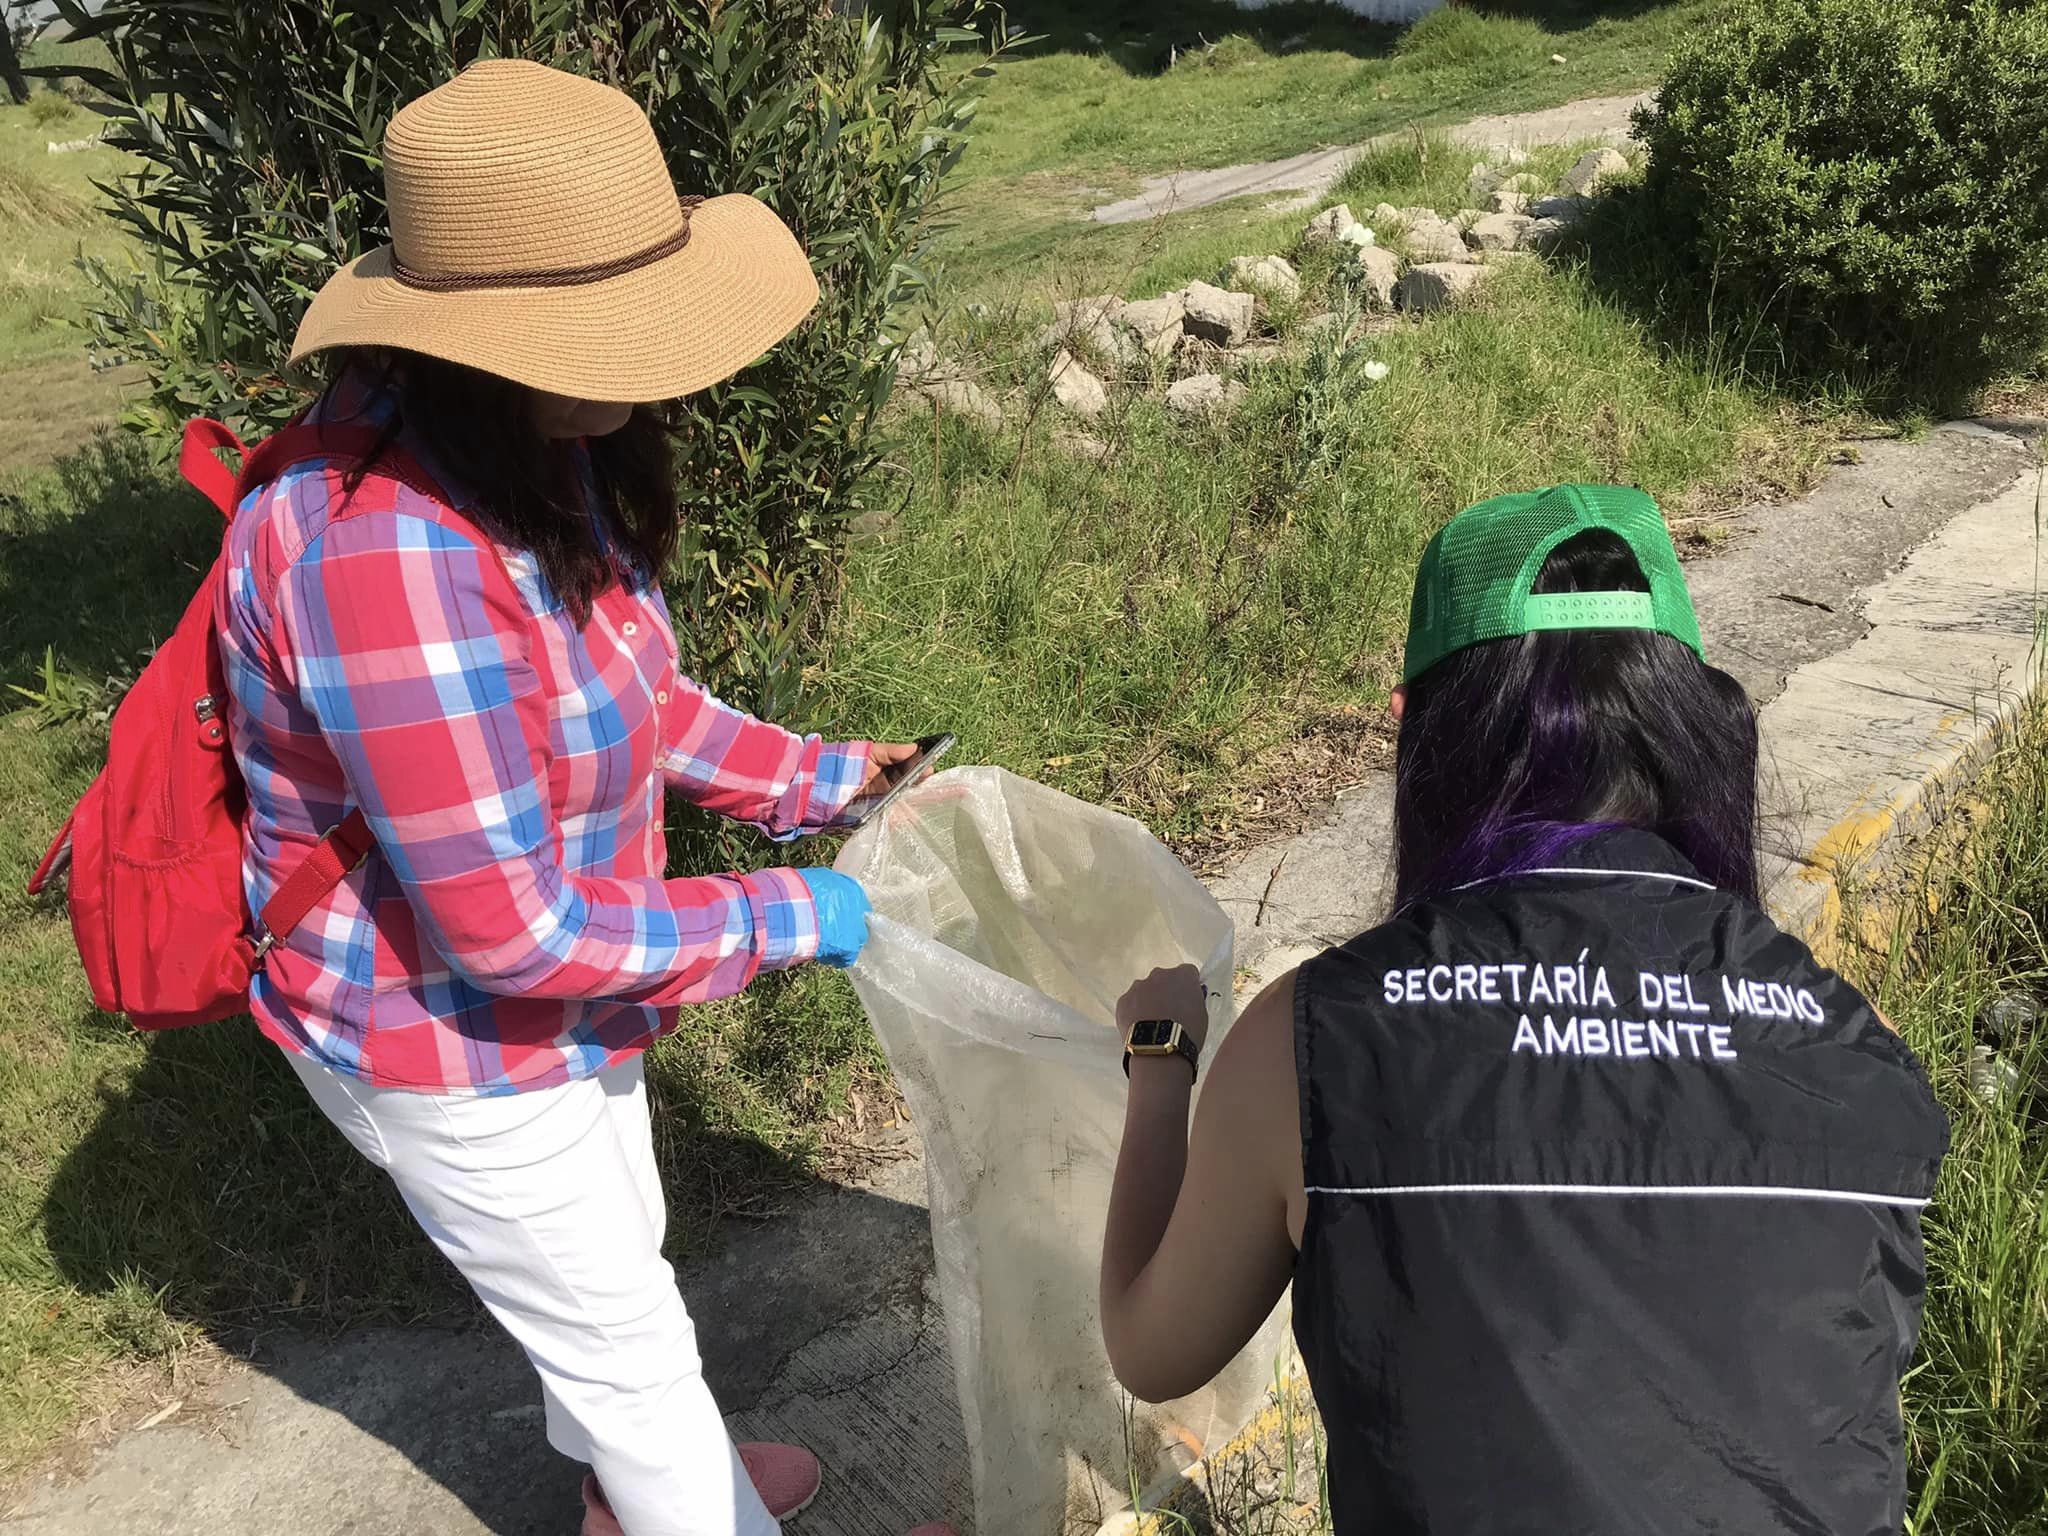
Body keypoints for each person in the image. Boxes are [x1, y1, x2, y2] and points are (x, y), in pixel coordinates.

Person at [222, 59, 946, 1536]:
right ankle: (678, 1498)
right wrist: (797, 912)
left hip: (557, 982)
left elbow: (634, 694)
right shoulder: (389, 553)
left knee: (619, 1245)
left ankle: (632, 1497)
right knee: (624, 1343)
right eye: (617, 327)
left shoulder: (535, 446)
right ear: (491, 340)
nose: (660, 365)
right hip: (436, 1019)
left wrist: (822, 785)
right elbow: (509, 932)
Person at [1098, 484, 1950, 1534]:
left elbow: (1149, 1347)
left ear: (1421, 731)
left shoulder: (1316, 1037)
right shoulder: (1849, 1041)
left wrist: (1159, 1057)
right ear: (1696, 724)